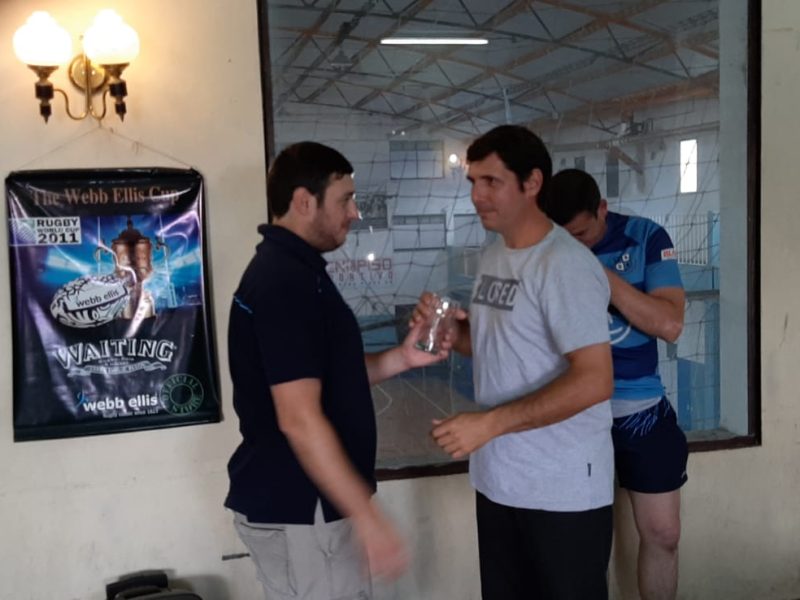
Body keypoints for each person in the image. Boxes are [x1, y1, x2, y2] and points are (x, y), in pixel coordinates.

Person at [225, 141, 446, 600]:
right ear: (304, 202)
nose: (355, 213)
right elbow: (299, 418)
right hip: (305, 509)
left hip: (308, 510)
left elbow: (324, 379)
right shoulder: (284, 282)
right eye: (345, 200)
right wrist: (367, 518)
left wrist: (402, 358)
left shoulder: (298, 272)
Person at [414, 125, 615, 600]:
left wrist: (488, 425)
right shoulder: (494, 256)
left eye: (492, 181)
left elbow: (594, 380)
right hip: (500, 481)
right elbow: (498, 344)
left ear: (532, 183)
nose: (477, 195)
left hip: (562, 490)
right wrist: (451, 333)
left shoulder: (564, 264)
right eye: (473, 182)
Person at [540, 168, 688, 600]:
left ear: (602, 210)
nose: (575, 245)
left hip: (641, 412)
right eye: (564, 238)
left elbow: (670, 324)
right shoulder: (542, 253)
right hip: (574, 415)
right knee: (581, 547)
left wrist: (597, 274)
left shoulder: (646, 238)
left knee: (663, 534)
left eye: (582, 235)